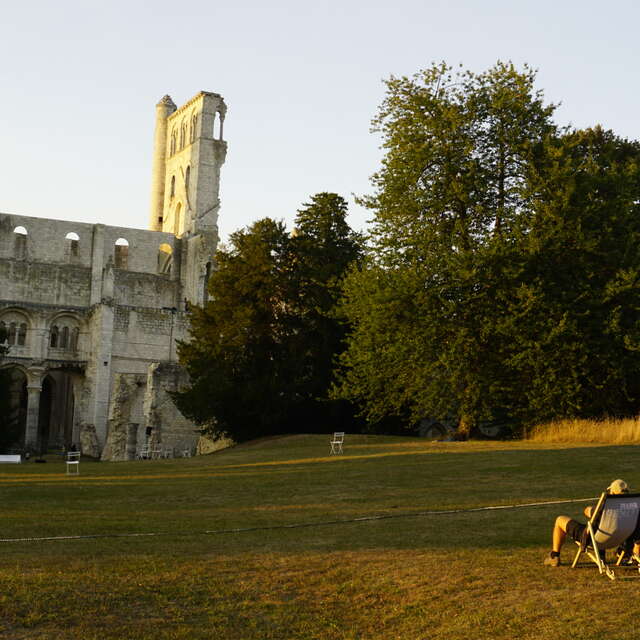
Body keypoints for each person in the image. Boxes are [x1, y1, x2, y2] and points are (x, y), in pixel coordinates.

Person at [543, 478, 640, 566]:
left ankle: (554, 555)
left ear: (613, 493)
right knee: (601, 526)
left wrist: (592, 508)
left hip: (596, 540)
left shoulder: (607, 507)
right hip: (619, 539)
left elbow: (587, 511)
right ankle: (608, 556)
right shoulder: (635, 509)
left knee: (560, 520)